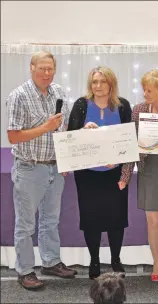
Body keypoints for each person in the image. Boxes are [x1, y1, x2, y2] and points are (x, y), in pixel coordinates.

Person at [6, 51, 77, 290]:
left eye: (50, 69)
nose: (47, 74)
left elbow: (63, 130)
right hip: (29, 168)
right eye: (42, 69)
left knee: (50, 220)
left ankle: (50, 262)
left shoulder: (59, 92)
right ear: (32, 68)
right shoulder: (19, 96)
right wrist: (45, 126)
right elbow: (13, 136)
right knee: (26, 225)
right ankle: (25, 270)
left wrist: (66, 160)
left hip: (55, 168)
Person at [67, 66, 132, 279]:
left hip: (114, 175)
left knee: (116, 218)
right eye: (94, 82)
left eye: (102, 82)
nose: (98, 86)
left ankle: (115, 259)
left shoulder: (123, 106)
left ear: (111, 84)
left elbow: (129, 139)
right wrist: (83, 132)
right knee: (91, 219)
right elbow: (70, 137)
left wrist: (122, 166)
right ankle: (94, 261)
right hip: (88, 175)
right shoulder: (81, 105)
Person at [119, 69, 158, 282]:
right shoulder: (138, 110)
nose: (145, 93)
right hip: (148, 171)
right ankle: (156, 261)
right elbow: (130, 146)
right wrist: (125, 176)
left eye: (149, 90)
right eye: (144, 89)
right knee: (153, 221)